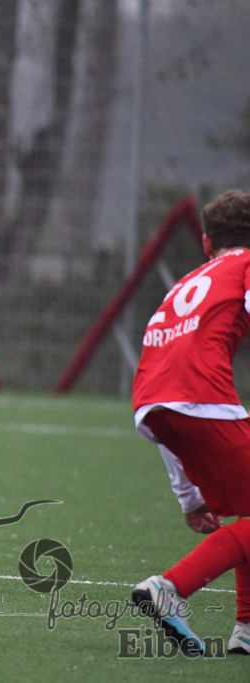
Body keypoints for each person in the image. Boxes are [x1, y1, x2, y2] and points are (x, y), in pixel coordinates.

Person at [130, 189, 250, 656]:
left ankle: (245, 628)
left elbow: (167, 404)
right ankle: (169, 588)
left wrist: (190, 497)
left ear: (205, 243)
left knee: (247, 506)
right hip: (204, 400)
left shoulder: (182, 286)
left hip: (152, 403)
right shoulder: (244, 265)